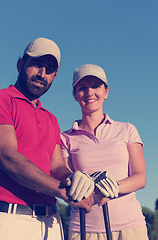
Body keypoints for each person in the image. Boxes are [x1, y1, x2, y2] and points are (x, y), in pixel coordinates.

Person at [0, 39, 95, 240]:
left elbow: (56, 166)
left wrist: (72, 179)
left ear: (54, 76)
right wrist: (64, 191)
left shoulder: (51, 118)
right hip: (9, 219)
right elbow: (8, 157)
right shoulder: (2, 100)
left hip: (50, 223)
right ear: (20, 65)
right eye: (36, 64)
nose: (42, 74)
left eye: (49, 70)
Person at [61, 64, 149, 240]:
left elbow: (140, 178)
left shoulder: (127, 129)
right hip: (83, 229)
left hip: (130, 228)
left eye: (96, 86)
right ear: (74, 95)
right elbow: (65, 182)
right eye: (82, 88)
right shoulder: (64, 138)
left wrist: (112, 187)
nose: (89, 92)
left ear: (106, 92)